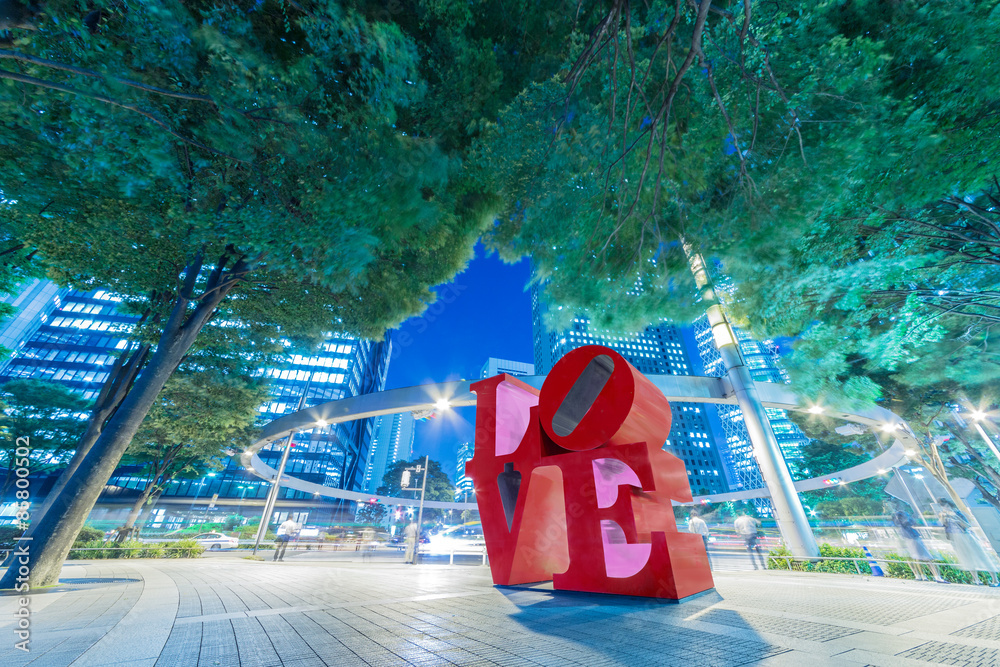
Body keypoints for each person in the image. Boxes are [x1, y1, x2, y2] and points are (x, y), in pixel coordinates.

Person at [939, 498, 999, 586]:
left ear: (950, 505)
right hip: (957, 539)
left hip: (967, 537)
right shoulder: (944, 516)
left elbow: (967, 525)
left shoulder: (958, 513)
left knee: (982, 556)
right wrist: (943, 518)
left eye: (947, 506)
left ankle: (995, 580)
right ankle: (976, 580)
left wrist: (956, 518)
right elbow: (944, 527)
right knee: (967, 559)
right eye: (943, 507)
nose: (946, 508)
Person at [891, 505, 944, 582]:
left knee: (915, 558)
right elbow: (911, 522)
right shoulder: (902, 515)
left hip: (906, 537)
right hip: (912, 537)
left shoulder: (896, 517)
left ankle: (921, 576)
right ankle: (936, 577)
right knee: (925, 558)